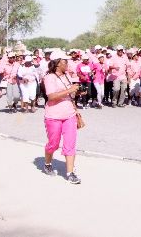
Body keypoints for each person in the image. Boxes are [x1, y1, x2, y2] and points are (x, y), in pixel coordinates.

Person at [43, 50, 81, 184]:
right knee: (53, 144)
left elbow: (70, 94)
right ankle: (47, 163)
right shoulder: (49, 77)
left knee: (70, 144)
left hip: (69, 115)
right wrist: (70, 90)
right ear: (57, 63)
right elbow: (51, 96)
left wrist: (76, 91)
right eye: (65, 61)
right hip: (53, 116)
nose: (68, 63)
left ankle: (70, 173)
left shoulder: (67, 76)